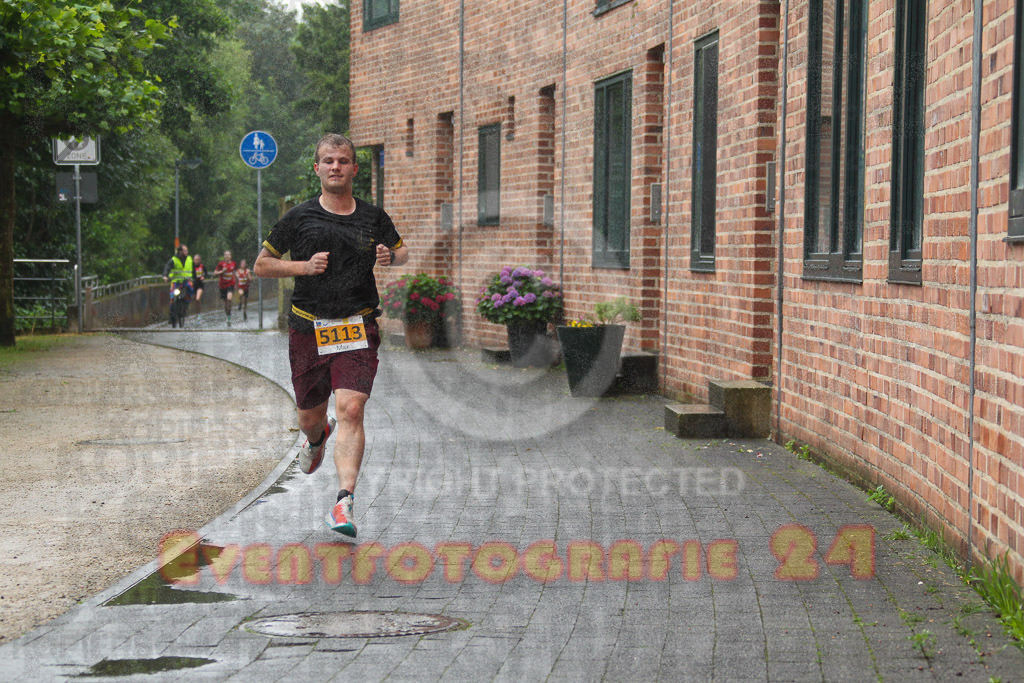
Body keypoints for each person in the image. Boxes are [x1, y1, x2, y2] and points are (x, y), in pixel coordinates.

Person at [254, 133, 408, 537]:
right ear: (318, 168)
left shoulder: (373, 217)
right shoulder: (299, 217)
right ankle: (316, 437)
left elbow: (403, 250)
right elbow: (262, 265)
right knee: (310, 415)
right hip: (308, 326)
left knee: (352, 409)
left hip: (357, 324)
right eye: (328, 161)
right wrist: (303, 267)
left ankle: (344, 504)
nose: (336, 167)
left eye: (343, 160)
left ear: (355, 168)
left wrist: (391, 256)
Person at [162, 244, 194, 326]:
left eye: (187, 250)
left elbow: (194, 269)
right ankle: (172, 315)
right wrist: (165, 276)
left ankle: (185, 306)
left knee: (191, 291)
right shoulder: (174, 259)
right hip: (176, 282)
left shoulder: (190, 259)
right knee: (172, 297)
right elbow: (167, 267)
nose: (187, 252)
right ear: (180, 251)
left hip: (186, 281)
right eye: (185, 250)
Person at [212, 250, 237, 326]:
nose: (227, 256)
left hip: (230, 285)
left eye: (228, 255)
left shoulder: (234, 264)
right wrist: (222, 271)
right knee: (226, 303)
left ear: (230, 256)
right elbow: (214, 273)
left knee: (229, 300)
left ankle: (229, 315)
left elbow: (236, 273)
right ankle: (228, 315)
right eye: (225, 255)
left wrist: (237, 283)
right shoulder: (221, 264)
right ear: (224, 256)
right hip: (222, 286)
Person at [192, 254, 206, 322]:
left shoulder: (202, 266)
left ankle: (199, 315)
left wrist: (203, 276)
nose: (196, 261)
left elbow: (206, 273)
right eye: (195, 259)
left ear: (200, 260)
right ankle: (197, 314)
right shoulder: (192, 267)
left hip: (200, 284)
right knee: (196, 301)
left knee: (198, 299)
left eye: (197, 259)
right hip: (194, 285)